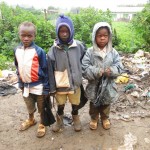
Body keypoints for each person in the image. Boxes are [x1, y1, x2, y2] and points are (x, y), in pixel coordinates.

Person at [47, 15, 86, 132]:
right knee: (60, 104)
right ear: (57, 32)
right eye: (61, 31)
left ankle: (76, 118)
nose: (64, 34)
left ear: (71, 31)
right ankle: (59, 121)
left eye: (66, 31)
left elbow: (84, 62)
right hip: (60, 85)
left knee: (75, 103)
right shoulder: (53, 50)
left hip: (75, 84)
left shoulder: (79, 46)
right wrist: (52, 88)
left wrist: (81, 75)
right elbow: (50, 70)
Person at [82, 22, 123, 130]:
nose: (102, 38)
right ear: (94, 36)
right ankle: (94, 118)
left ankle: (105, 118)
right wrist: (97, 71)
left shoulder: (113, 52)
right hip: (94, 84)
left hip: (108, 84)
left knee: (106, 103)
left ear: (109, 37)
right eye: (99, 35)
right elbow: (84, 68)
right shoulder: (90, 52)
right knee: (94, 103)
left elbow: (119, 66)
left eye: (105, 35)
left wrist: (112, 71)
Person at [14, 21, 49, 138]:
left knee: (41, 106)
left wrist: (46, 88)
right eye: (23, 35)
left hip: (38, 86)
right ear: (19, 34)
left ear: (34, 36)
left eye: (29, 36)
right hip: (25, 86)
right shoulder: (17, 50)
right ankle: (31, 119)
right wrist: (20, 82)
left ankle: (42, 123)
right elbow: (18, 66)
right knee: (29, 105)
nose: (26, 38)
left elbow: (45, 69)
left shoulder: (39, 51)